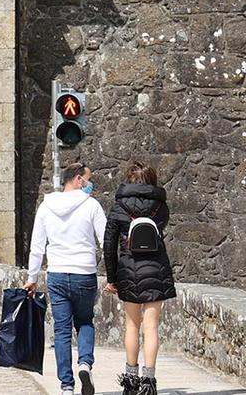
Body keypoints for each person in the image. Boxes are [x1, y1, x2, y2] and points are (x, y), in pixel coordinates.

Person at [23, 163, 107, 395]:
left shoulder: (46, 206)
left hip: (57, 273)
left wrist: (32, 277)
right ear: (79, 180)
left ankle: (66, 386)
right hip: (84, 273)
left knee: (61, 330)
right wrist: (115, 274)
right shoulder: (92, 206)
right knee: (85, 321)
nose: (91, 184)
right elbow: (105, 240)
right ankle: (85, 364)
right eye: (88, 179)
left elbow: (37, 246)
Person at [103, 161, 176, 395]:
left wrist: (112, 277)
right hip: (156, 267)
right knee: (152, 326)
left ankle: (130, 380)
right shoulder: (160, 206)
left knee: (132, 326)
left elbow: (108, 245)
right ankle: (149, 381)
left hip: (128, 268)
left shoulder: (118, 206)